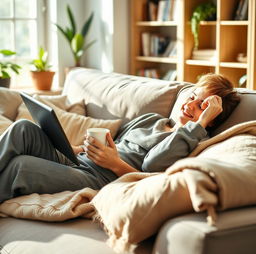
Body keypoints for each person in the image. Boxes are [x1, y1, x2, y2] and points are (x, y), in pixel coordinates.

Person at [0, 73, 240, 203]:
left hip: (99, 179)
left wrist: (199, 124)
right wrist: (76, 148)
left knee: (21, 166)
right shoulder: (151, 120)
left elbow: (151, 168)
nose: (190, 105)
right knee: (23, 128)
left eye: (201, 105)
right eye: (192, 97)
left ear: (211, 117)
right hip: (79, 161)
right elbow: (113, 141)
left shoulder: (191, 140)